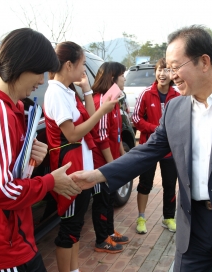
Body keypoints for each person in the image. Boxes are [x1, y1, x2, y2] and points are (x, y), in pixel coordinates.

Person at [72, 25, 212, 272]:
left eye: (176, 67)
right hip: (193, 228)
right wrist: (99, 175)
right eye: (167, 67)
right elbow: (147, 151)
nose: (171, 74)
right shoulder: (175, 109)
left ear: (205, 61)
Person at [0, 28, 83, 272]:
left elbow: (7, 172)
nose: (42, 81)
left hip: (15, 238)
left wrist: (29, 159)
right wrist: (50, 182)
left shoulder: (13, 108)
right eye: (39, 72)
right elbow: (2, 191)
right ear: (22, 65)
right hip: (0, 247)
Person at [43, 41, 117, 272]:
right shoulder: (55, 92)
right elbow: (73, 134)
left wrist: (85, 89)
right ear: (68, 65)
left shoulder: (66, 90)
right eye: (82, 64)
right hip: (69, 170)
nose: (84, 69)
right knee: (69, 229)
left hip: (79, 166)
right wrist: (102, 111)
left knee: (75, 227)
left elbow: (87, 118)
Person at [132, 58, 179, 234]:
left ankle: (168, 218)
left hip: (170, 149)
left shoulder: (178, 95)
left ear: (172, 74)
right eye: (160, 69)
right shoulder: (146, 93)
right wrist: (156, 130)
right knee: (145, 184)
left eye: (167, 70)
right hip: (148, 148)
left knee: (169, 184)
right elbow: (136, 118)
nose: (163, 73)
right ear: (155, 72)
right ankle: (141, 217)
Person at [91, 62, 130, 253]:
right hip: (102, 164)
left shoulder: (114, 100)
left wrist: (122, 155)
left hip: (111, 161)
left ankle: (109, 232)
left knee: (109, 200)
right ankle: (101, 240)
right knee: (102, 201)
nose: (124, 78)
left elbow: (116, 133)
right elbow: (101, 136)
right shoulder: (101, 101)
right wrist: (111, 164)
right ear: (112, 78)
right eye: (122, 75)